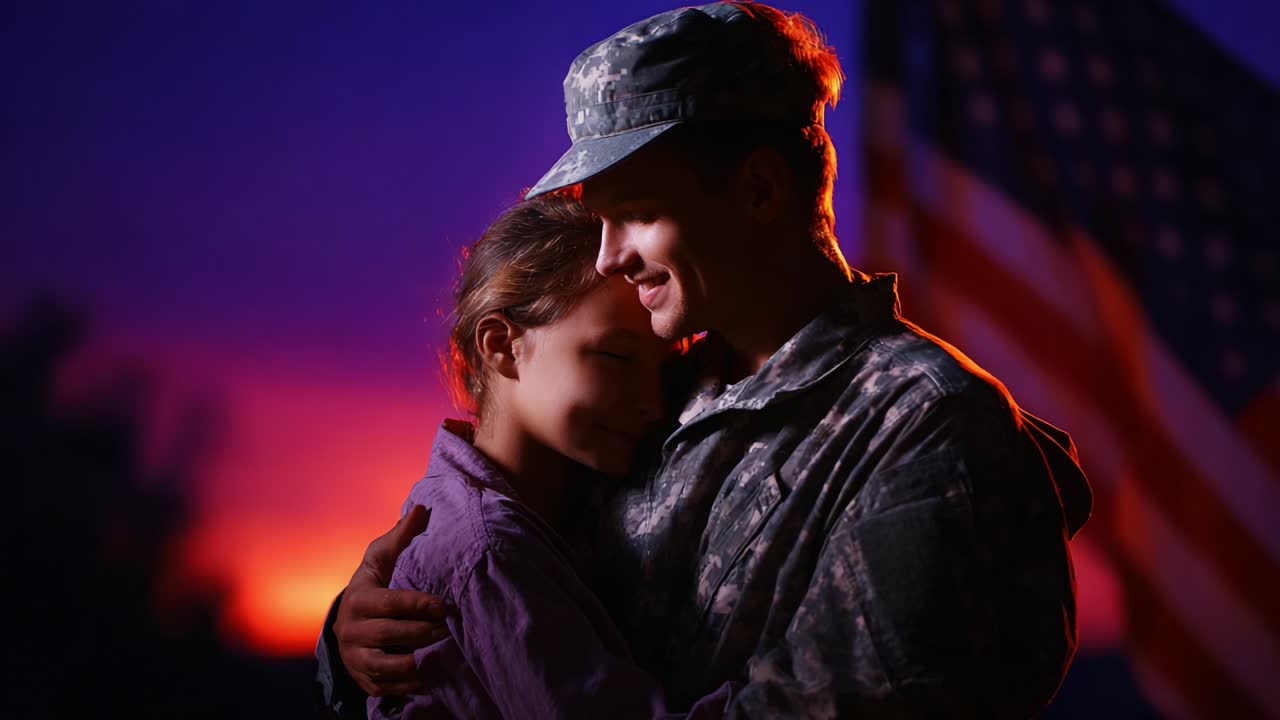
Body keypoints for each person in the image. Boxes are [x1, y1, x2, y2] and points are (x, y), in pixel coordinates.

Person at [318, 3, 1094, 718]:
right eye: (598, 221)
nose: (610, 256)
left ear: (759, 188)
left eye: (636, 214)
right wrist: (364, 627)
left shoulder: (926, 428)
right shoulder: (653, 391)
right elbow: (499, 553)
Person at [360, 194, 737, 718]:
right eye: (614, 356)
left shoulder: (547, 510)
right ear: (501, 345)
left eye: (663, 372)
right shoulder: (488, 546)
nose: (653, 404)